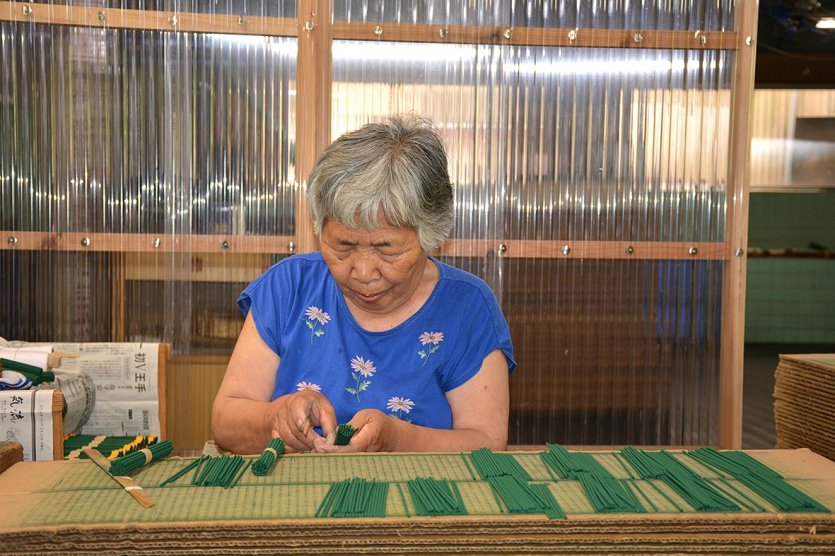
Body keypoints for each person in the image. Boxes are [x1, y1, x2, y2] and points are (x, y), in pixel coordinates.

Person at [211, 114, 516, 454]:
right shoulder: (289, 288)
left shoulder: (466, 309)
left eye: (387, 249)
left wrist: (396, 440)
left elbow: (486, 442)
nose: (363, 271)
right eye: (343, 246)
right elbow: (226, 419)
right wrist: (275, 418)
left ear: (431, 237)